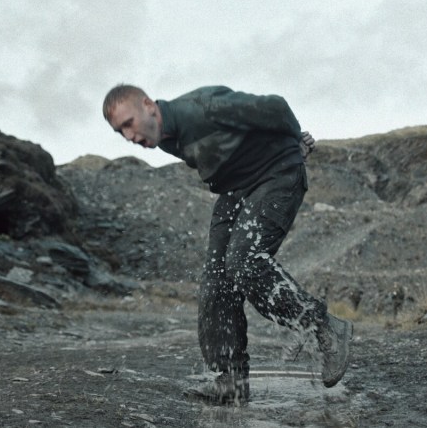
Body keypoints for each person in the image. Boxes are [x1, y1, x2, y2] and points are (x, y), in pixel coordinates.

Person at [102, 84, 352, 406]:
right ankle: (230, 380)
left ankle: (325, 328)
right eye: (120, 132)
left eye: (128, 123)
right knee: (216, 281)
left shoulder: (203, 108)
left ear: (149, 105)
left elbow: (276, 107)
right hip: (235, 190)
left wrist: (295, 146)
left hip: (276, 175)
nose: (128, 136)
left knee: (243, 262)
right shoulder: (162, 138)